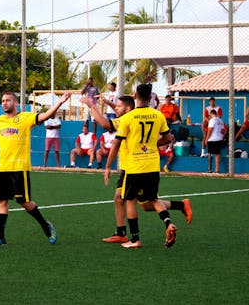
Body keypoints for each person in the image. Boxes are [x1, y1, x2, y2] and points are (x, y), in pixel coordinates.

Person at [0, 91, 71, 245]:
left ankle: (46, 226)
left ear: (15, 103)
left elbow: (45, 116)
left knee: (24, 202)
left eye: (8, 100)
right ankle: (0, 237)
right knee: (1, 201)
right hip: (2, 168)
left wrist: (60, 102)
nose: (4, 103)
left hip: (19, 168)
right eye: (2, 100)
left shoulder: (25, 118)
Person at [82, 95, 191, 244]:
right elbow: (123, 110)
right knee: (142, 203)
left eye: (118, 106)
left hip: (132, 168)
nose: (116, 108)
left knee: (133, 201)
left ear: (127, 108)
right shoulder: (134, 115)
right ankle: (179, 206)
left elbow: (106, 124)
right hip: (138, 166)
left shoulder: (126, 119)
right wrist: (108, 102)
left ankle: (131, 237)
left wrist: (90, 105)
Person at [104, 83, 177, 249]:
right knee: (153, 199)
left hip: (134, 166)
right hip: (152, 164)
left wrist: (107, 166)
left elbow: (116, 143)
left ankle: (135, 238)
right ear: (151, 96)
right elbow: (167, 138)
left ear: (136, 96)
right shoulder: (157, 115)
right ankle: (168, 223)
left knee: (130, 201)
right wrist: (152, 145)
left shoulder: (128, 117)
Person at [203, 109, 225, 173]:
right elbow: (223, 131)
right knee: (217, 154)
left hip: (212, 139)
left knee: (210, 154)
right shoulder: (221, 120)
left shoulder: (212, 120)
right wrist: (222, 137)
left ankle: (210, 169)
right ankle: (217, 169)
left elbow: (210, 130)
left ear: (211, 114)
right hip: (219, 139)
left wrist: (206, 139)